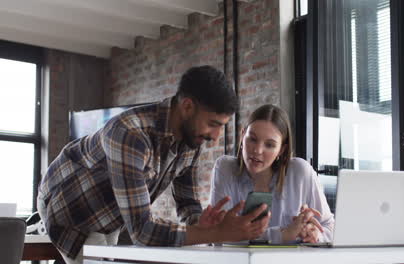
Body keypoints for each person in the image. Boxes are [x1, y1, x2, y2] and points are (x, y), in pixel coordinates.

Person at [37, 65, 270, 264]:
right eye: (213, 124)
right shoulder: (130, 133)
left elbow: (188, 203)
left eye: (222, 126)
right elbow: (143, 231)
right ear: (187, 106)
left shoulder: (192, 138)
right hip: (70, 207)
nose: (217, 136)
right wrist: (218, 233)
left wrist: (203, 223)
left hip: (112, 215)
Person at [211, 104, 334, 244]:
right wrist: (283, 235)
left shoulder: (300, 172)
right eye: (252, 139)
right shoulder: (225, 169)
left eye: (269, 145)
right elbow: (219, 236)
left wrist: (315, 234)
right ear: (242, 136)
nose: (257, 150)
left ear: (281, 149)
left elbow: (331, 227)